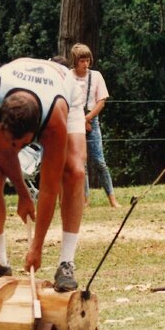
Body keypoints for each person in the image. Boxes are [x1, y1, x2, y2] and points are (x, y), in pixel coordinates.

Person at [0, 56, 87, 292]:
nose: (16, 150)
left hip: (61, 91)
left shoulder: (55, 123)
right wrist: (22, 193)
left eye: (21, 145)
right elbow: (3, 150)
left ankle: (66, 263)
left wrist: (36, 246)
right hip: (13, 87)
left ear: (36, 134)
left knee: (74, 171)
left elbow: (49, 187)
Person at [68, 44, 120, 208]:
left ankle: (112, 199)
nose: (85, 63)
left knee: (99, 161)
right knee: (80, 163)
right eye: (82, 60)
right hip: (74, 121)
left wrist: (88, 118)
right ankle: (84, 200)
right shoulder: (68, 77)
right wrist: (79, 121)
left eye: (87, 59)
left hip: (92, 120)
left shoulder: (96, 76)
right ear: (75, 61)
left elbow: (101, 101)